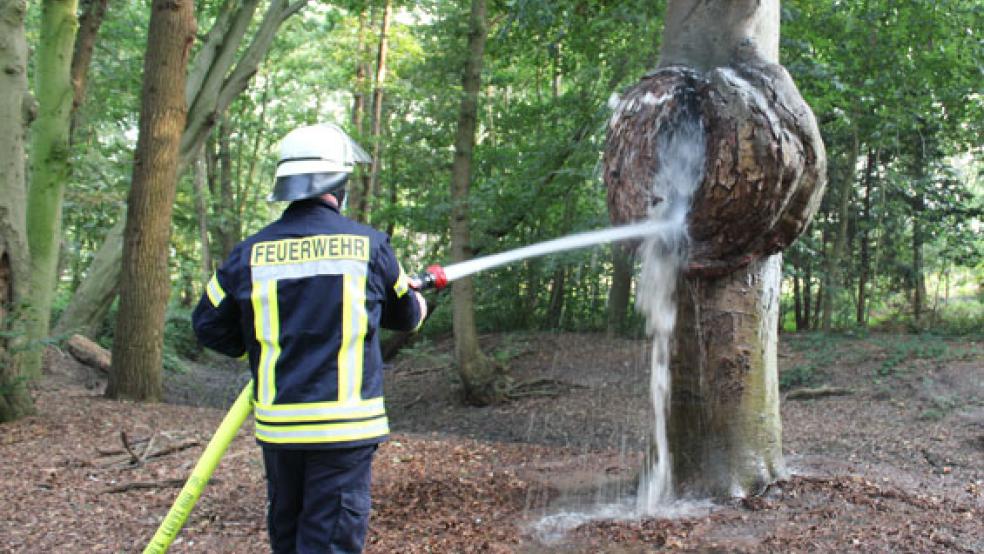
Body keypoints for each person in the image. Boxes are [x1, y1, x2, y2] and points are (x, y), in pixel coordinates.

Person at [192, 123, 427, 553]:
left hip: (281, 433)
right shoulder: (370, 247)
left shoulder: (249, 254)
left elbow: (207, 324)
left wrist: (256, 342)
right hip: (344, 431)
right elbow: (407, 316)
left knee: (290, 537)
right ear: (339, 182)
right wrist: (413, 297)